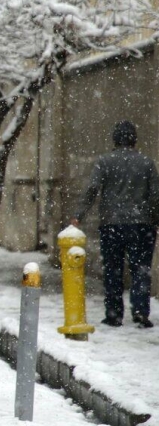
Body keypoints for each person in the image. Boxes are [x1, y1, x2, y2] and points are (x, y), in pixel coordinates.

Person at [72, 120, 159, 328]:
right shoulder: (146, 163)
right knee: (141, 269)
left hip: (111, 224)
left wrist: (78, 215)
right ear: (134, 140)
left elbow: (92, 189)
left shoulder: (104, 162)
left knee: (112, 268)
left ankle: (114, 313)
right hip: (141, 224)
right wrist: (154, 218)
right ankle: (140, 311)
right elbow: (156, 195)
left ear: (115, 139)